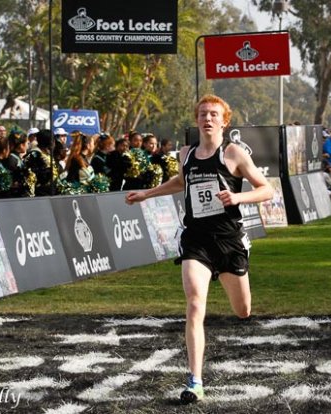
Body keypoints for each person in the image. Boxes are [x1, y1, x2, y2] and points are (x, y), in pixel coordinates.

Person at [125, 95, 273, 404]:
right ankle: (195, 380)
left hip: (228, 240)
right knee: (194, 303)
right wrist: (147, 194)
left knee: (243, 310)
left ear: (224, 121)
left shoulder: (233, 153)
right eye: (203, 114)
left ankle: (233, 286)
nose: (207, 118)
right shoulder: (186, 153)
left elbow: (266, 189)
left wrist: (238, 198)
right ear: (197, 119)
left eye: (214, 114)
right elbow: (181, 181)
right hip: (197, 240)